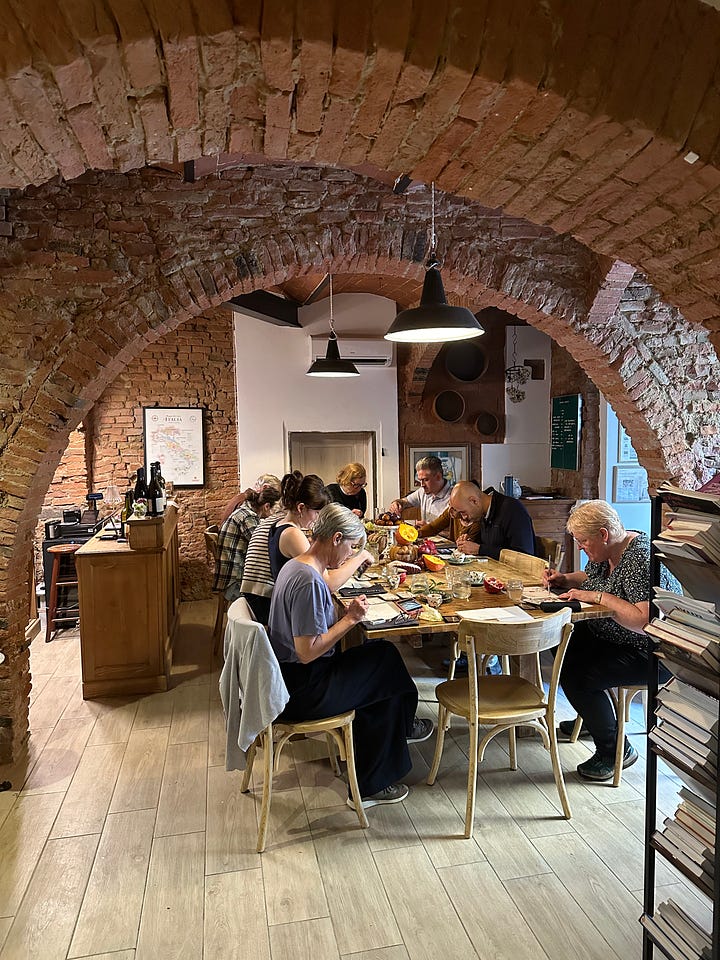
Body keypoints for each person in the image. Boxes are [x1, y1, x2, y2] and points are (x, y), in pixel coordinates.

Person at [268, 503, 433, 808]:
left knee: (383, 658)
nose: (349, 555)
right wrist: (350, 619)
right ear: (336, 537)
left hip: (290, 678)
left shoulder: (296, 566)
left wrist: (339, 614)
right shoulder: (308, 581)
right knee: (384, 670)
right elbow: (306, 652)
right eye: (351, 547)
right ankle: (374, 780)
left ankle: (396, 738)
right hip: (304, 688)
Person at [546, 500, 660, 782]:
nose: (582, 548)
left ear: (603, 534)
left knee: (579, 677)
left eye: (584, 542)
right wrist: (566, 579)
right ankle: (593, 714)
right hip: (612, 636)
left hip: (648, 651)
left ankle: (615, 751)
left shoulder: (639, 558)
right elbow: (592, 577)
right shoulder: (608, 552)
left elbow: (645, 621)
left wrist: (597, 597)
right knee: (558, 640)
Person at [213, 484, 282, 602]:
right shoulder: (248, 517)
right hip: (234, 583)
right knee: (276, 591)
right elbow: (264, 547)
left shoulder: (246, 510)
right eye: (277, 510)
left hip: (231, 577)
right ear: (267, 506)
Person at [448, 481, 536, 559]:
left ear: (474, 501)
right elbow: (492, 544)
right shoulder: (482, 512)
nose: (463, 517)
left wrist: (479, 549)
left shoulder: (512, 510)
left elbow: (523, 557)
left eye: (463, 512)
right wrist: (470, 542)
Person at [268, 472, 331, 578]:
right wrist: (360, 557)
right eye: (317, 513)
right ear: (301, 508)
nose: (317, 518)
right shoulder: (292, 533)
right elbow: (326, 580)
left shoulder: (278, 525)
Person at [388, 456, 453, 525]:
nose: (422, 485)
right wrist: (397, 503)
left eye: (426, 480)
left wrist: (428, 528)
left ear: (438, 477)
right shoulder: (422, 492)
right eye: (420, 480)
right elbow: (405, 501)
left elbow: (457, 531)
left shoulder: (454, 497)